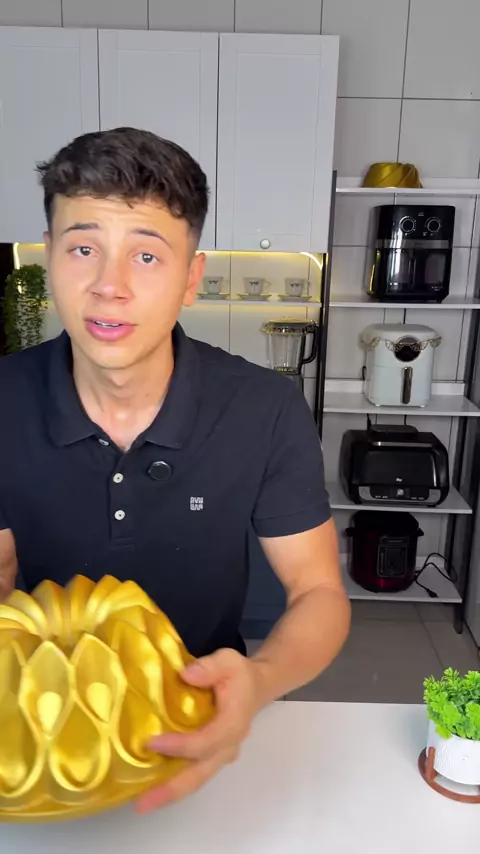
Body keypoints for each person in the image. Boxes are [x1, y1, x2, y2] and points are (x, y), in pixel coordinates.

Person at [0, 127, 350, 813]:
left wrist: (259, 679)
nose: (110, 287)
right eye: (83, 248)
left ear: (192, 277)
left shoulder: (264, 408)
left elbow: (317, 591)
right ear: (48, 255)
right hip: (49, 736)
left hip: (210, 721)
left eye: (147, 256)